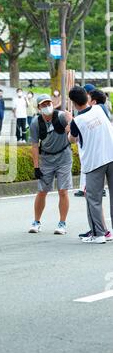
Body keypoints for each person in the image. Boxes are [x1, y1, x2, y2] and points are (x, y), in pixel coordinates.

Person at [68, 86, 113, 244]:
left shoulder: (77, 121)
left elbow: (71, 139)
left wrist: (69, 121)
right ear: (87, 98)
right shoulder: (100, 109)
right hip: (111, 155)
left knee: (93, 199)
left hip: (94, 163)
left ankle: (98, 234)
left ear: (73, 103)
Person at [29, 94, 72, 235]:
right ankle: (36, 222)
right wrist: (36, 167)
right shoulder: (36, 123)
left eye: (48, 103)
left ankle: (62, 223)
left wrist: (70, 122)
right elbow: (34, 146)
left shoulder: (61, 116)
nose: (47, 106)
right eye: (43, 104)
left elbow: (73, 131)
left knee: (63, 191)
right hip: (46, 159)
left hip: (64, 157)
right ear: (39, 108)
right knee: (42, 191)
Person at [74, 86, 107, 197]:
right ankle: (87, 188)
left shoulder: (99, 108)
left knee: (90, 166)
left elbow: (71, 137)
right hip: (96, 144)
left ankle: (88, 189)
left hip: (92, 144)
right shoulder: (97, 110)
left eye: (88, 96)